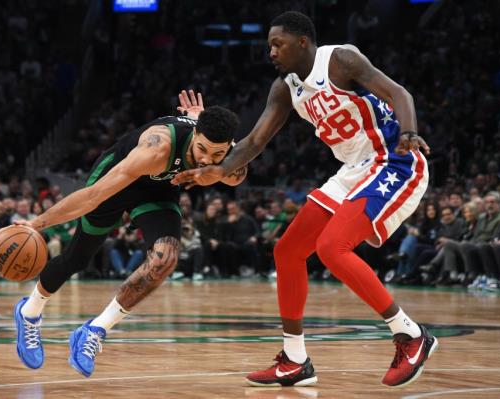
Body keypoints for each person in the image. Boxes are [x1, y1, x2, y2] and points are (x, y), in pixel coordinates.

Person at [172, 12, 436, 388]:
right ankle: (295, 358)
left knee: (332, 247)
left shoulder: (341, 59)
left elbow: (399, 93)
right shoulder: (284, 88)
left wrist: (409, 131)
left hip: (393, 159)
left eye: (277, 44)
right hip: (353, 171)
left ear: (301, 42)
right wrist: (213, 171)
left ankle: (411, 335)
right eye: (269, 46)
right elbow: (254, 142)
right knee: (288, 251)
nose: (271, 52)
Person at [0, 91, 247, 378]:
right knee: (77, 259)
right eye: (202, 149)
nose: (206, 159)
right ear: (194, 134)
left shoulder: (223, 153)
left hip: (158, 191)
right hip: (116, 183)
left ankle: (95, 330)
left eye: (217, 154)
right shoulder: (157, 146)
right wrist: (34, 225)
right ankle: (29, 312)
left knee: (165, 259)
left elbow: (238, 173)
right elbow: (91, 197)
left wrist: (217, 161)